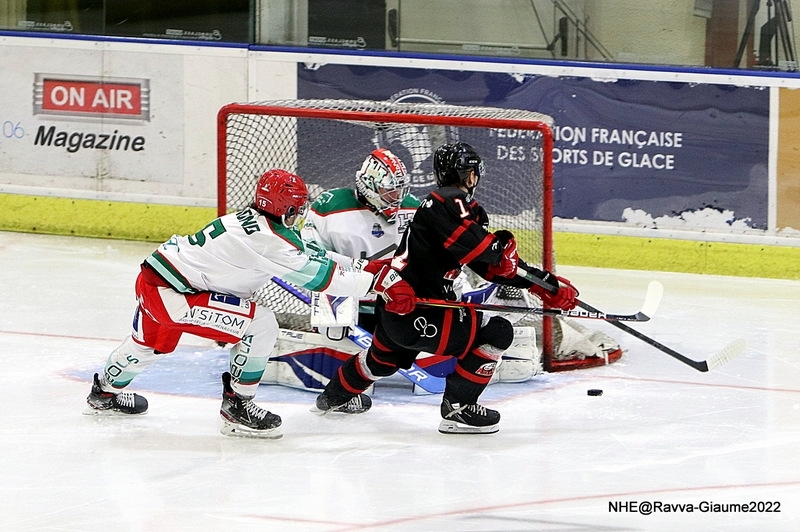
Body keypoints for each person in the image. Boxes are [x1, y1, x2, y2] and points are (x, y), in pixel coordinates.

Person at [84, 169, 391, 439]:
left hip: (155, 280)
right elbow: (324, 279)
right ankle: (237, 406)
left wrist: (364, 268)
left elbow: (314, 254)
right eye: (296, 209)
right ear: (284, 209)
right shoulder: (269, 241)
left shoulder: (252, 221)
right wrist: (378, 283)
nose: (299, 214)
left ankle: (103, 393)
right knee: (260, 325)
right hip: (175, 296)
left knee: (148, 345)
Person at [314, 142, 580, 434]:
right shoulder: (448, 203)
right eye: (473, 172)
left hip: (397, 310)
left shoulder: (442, 205)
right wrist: (534, 275)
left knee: (380, 361)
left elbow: (490, 267)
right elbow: (489, 253)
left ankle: (332, 398)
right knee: (497, 332)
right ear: (467, 174)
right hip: (423, 310)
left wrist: (544, 285)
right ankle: (459, 410)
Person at [301, 147, 418, 332]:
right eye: (389, 191)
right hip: (344, 300)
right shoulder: (329, 207)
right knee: (332, 336)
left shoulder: (413, 209)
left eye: (400, 190)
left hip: (396, 302)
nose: (396, 198)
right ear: (369, 185)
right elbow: (311, 259)